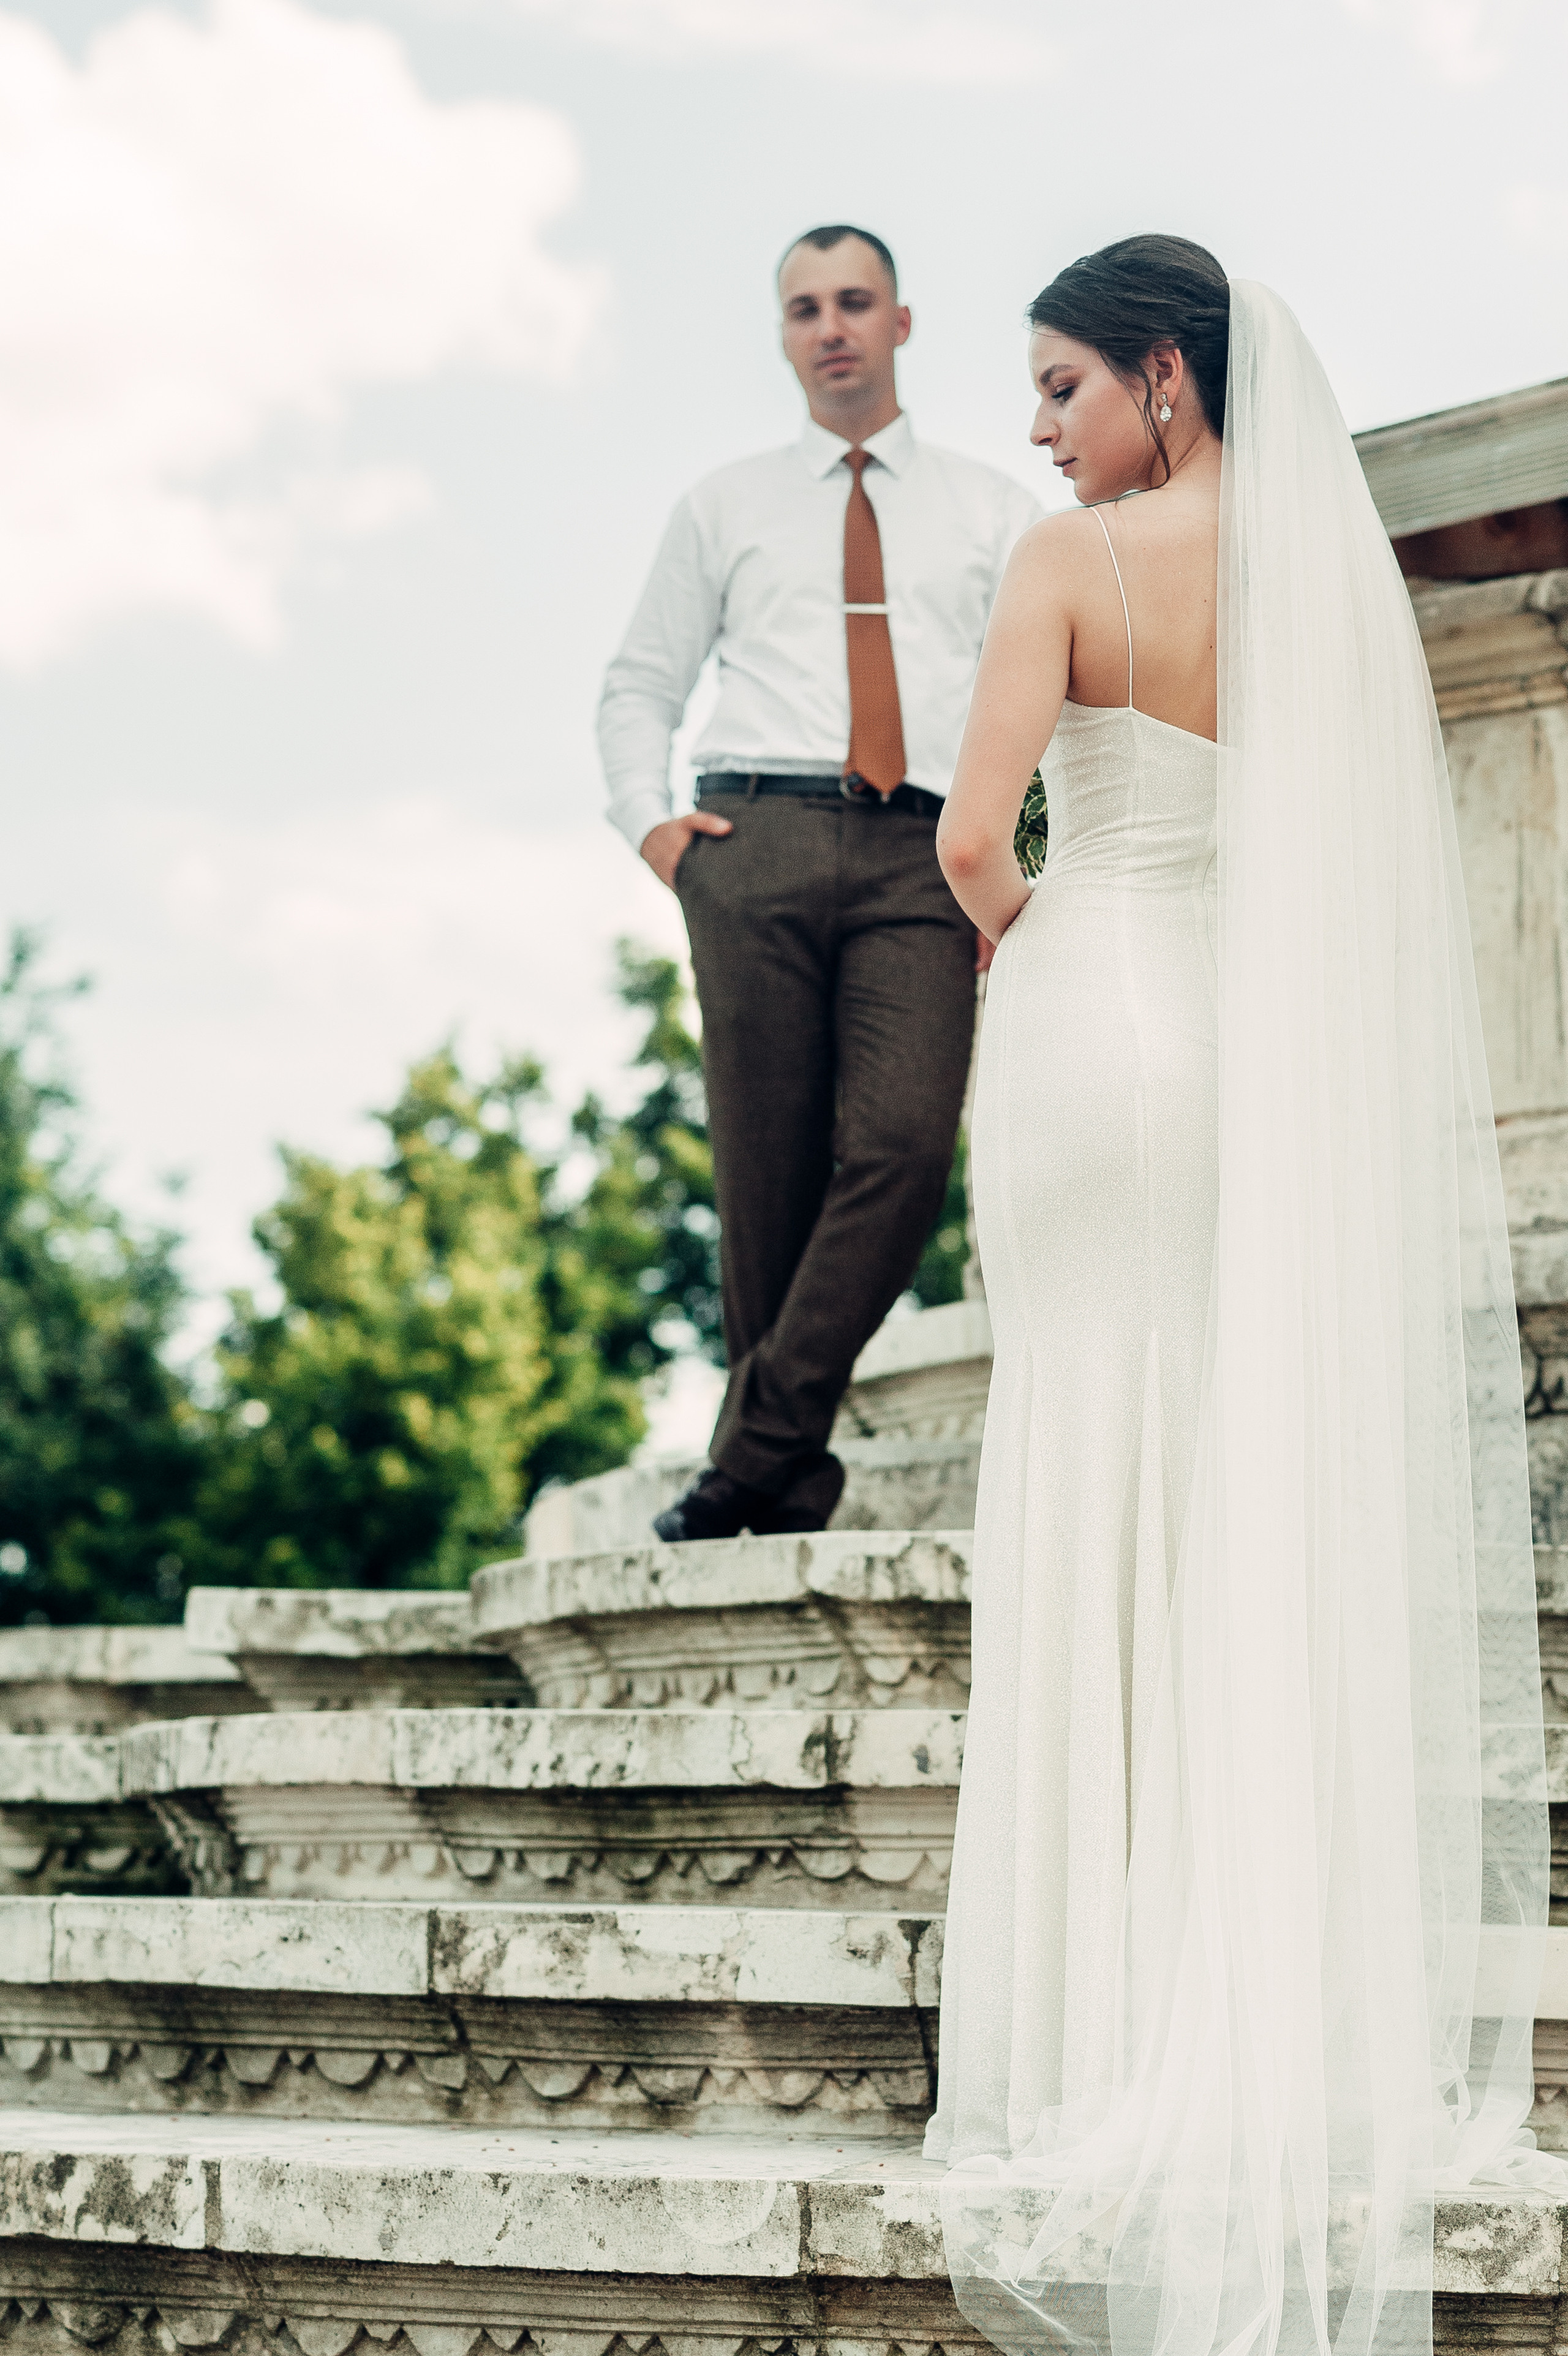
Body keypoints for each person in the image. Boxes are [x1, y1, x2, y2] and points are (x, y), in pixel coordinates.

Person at [925, 235, 1563, 2356]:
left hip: (1093, 1015)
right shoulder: (1314, 580)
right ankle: (1234, 1981)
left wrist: (1038, 926)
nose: (1040, 427)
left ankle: (1091, 2009)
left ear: (1165, 379)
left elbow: (971, 842)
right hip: (1236, 1051)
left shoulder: (1071, 557)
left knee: (1090, 1463)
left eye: (1060, 384)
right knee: (1216, 1485)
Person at [598, 224, 1041, 1542]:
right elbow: (639, 684)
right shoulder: (722, 505)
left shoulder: (994, 511)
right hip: (757, 840)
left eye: (855, 302)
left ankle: (748, 1455)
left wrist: (1012, 866)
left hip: (925, 851)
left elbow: (1040, 711)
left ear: (901, 323)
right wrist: (657, 834)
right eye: (805, 308)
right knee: (764, 1179)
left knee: (902, 1149)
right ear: (784, 335)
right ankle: (784, 1485)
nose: (831, 327)